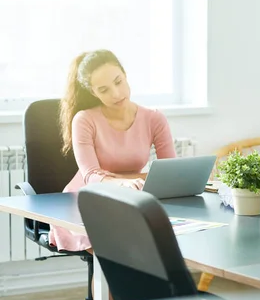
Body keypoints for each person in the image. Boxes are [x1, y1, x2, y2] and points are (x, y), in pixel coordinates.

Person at [49, 49, 176, 253]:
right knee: (112, 250)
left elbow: (171, 171)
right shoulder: (84, 120)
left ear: (125, 75)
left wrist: (128, 182)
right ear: (93, 92)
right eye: (104, 89)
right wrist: (126, 181)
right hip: (87, 198)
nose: (116, 94)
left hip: (131, 195)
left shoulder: (154, 118)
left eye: (118, 82)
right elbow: (91, 176)